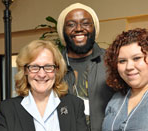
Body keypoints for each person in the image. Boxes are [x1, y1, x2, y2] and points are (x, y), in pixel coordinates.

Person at [0, 40, 87, 131]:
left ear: (57, 70)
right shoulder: (8, 109)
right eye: (34, 67)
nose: (42, 74)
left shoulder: (74, 105)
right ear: (25, 71)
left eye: (48, 67)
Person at [57, 3, 115, 131]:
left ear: (94, 28)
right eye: (71, 24)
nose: (78, 28)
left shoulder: (113, 62)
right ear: (62, 30)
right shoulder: (52, 67)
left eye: (86, 23)